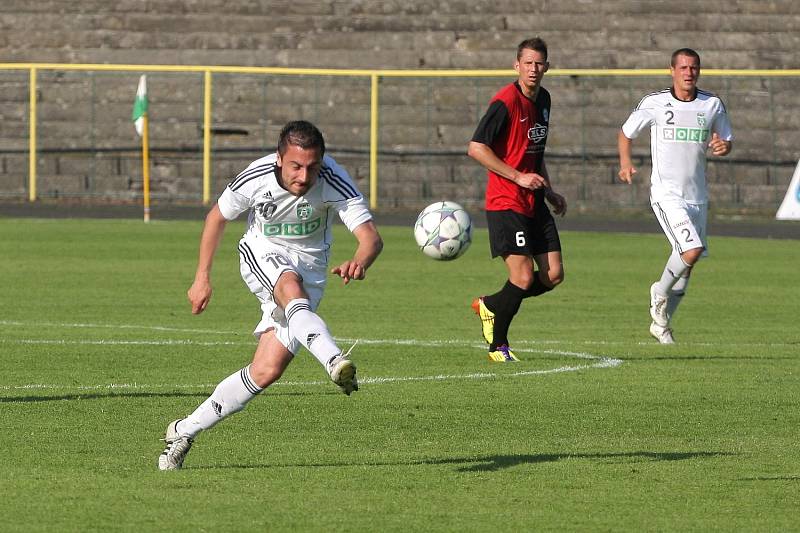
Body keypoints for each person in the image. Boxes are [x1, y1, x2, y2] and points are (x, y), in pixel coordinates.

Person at [158, 120, 383, 470]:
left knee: (266, 370)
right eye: (295, 166)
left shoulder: (333, 178)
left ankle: (183, 431)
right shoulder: (256, 176)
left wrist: (360, 259)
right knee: (289, 287)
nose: (303, 175)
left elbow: (371, 238)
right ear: (280, 159)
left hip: (311, 268)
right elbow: (217, 218)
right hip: (261, 251)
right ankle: (334, 360)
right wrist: (202, 277)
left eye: (312, 167)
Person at [618, 48, 733, 344]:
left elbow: (725, 140)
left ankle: (661, 324)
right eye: (682, 67)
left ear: (699, 71)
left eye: (693, 67)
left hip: (698, 196)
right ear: (672, 70)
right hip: (667, 194)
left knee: (687, 263)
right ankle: (658, 293)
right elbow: (626, 133)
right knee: (690, 251)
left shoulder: (712, 105)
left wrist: (723, 147)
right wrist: (626, 163)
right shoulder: (654, 103)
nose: (688, 72)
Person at [467, 37, 567, 363]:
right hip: (506, 201)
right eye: (528, 63)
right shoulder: (505, 102)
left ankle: (491, 304)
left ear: (547, 67)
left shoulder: (545, 99)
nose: (534, 69)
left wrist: (549, 189)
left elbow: (534, 153)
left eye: (539, 63)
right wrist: (517, 176)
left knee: (552, 275)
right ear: (517, 66)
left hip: (535, 201)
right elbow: (476, 148)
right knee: (522, 276)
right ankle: (498, 346)